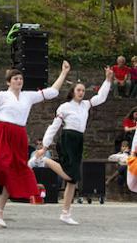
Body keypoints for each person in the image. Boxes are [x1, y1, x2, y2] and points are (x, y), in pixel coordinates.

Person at [0, 61, 70, 228]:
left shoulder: (28, 96)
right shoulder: (2, 96)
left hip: (19, 135)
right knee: (1, 165)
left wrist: (64, 73)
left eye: (20, 78)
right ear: (8, 82)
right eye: (16, 79)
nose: (19, 81)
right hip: (3, 132)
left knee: (15, 173)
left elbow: (52, 92)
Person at [32, 68, 111, 225]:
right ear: (73, 92)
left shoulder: (86, 105)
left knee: (72, 181)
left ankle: (65, 213)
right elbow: (53, 127)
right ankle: (44, 160)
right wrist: (45, 147)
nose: (81, 93)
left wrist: (108, 80)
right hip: (68, 139)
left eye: (83, 90)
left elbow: (101, 97)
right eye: (78, 90)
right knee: (71, 176)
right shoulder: (64, 107)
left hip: (78, 140)